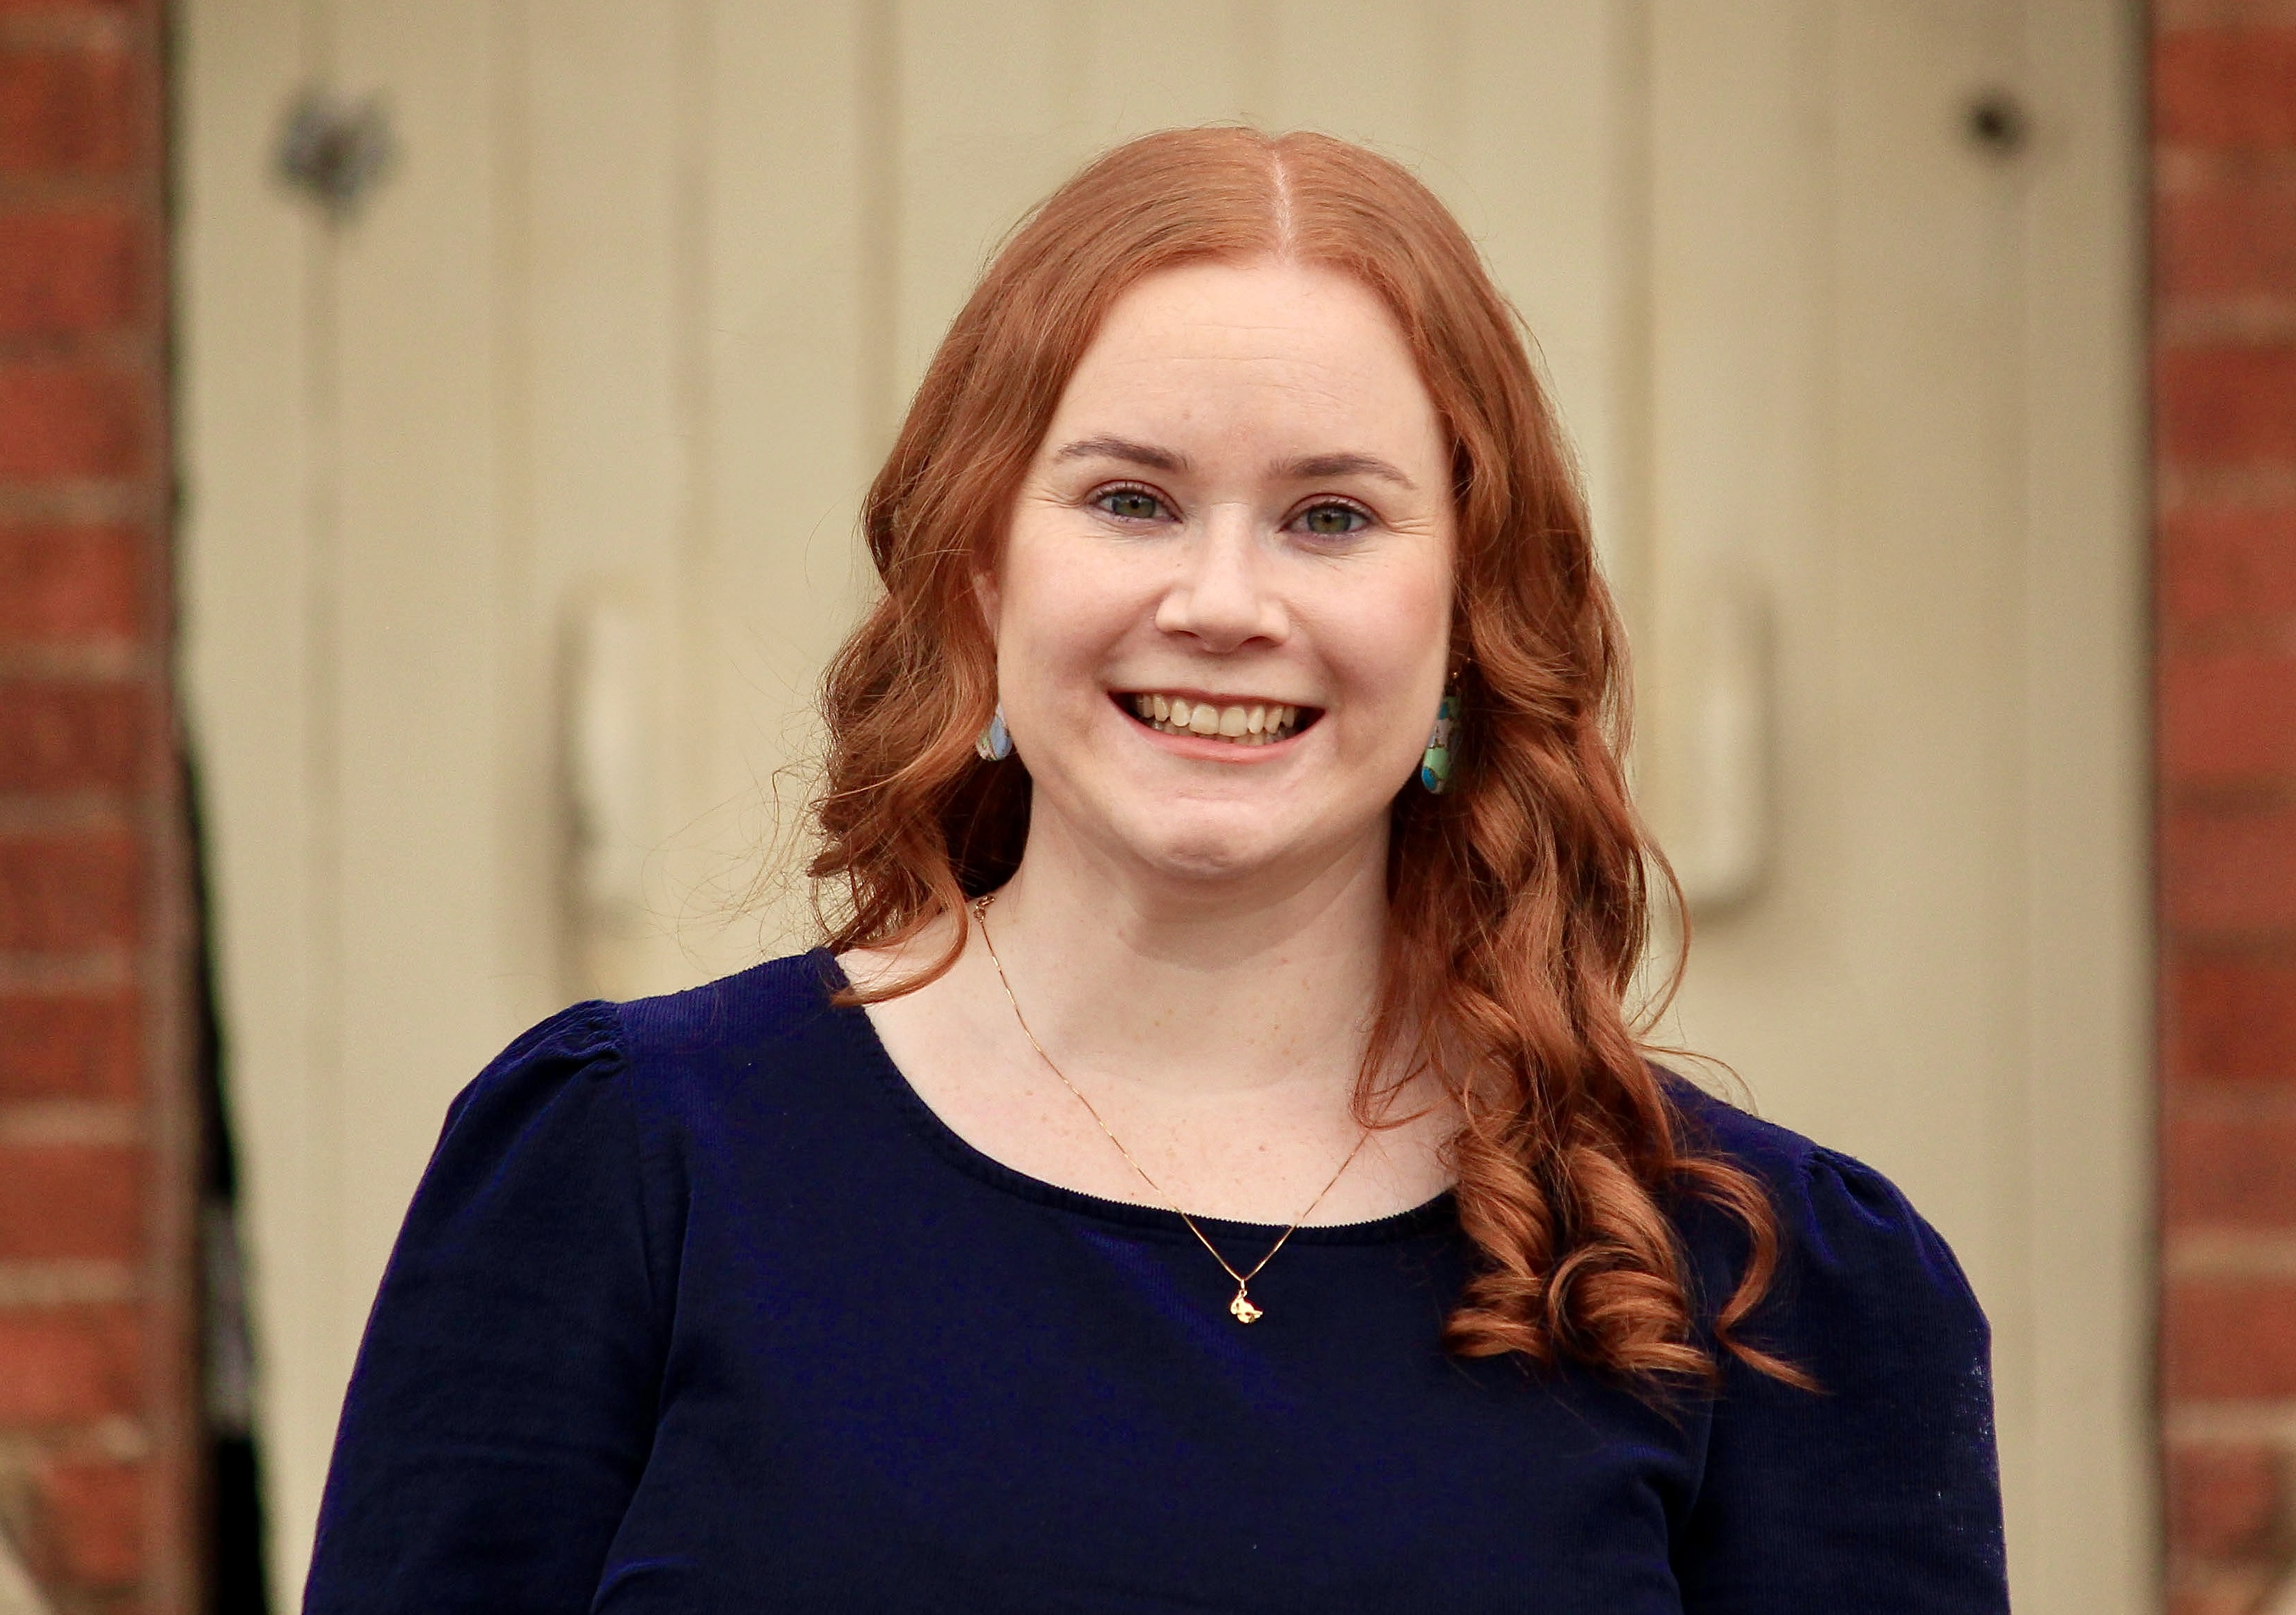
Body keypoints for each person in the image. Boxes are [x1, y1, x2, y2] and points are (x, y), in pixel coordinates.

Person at [302, 126, 2006, 1613]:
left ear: (1470, 619)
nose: (1222, 602)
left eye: (1331, 516)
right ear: (980, 576)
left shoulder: (1768, 1284)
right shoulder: (626, 1170)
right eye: (1130, 499)